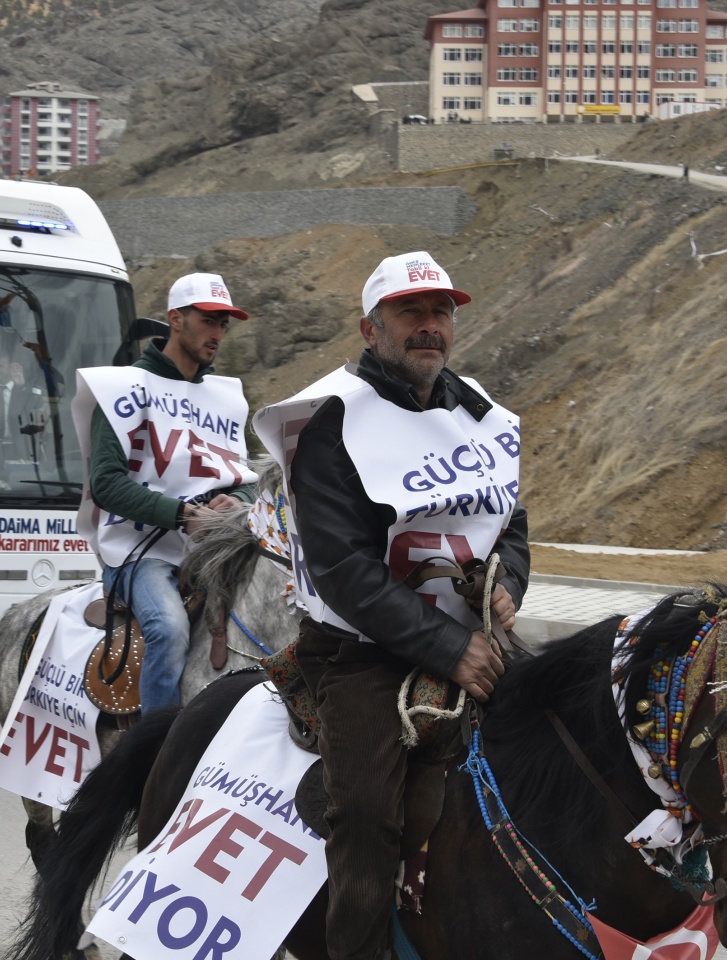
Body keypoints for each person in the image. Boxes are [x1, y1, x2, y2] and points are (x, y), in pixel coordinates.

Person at [255, 252, 530, 960]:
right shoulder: (330, 424)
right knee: (370, 818)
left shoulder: (478, 412)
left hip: (475, 637)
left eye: (441, 313)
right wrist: (450, 648)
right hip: (360, 653)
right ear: (370, 329)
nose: (430, 327)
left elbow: (511, 523)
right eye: (411, 314)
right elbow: (342, 567)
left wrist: (510, 584)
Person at [73, 273, 259, 714]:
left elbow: (244, 478)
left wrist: (239, 503)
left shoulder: (226, 397)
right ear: (176, 319)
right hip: (139, 553)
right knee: (171, 629)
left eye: (224, 324)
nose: (217, 333)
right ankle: (155, 751)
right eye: (208, 320)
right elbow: (106, 483)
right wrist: (182, 514)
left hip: (211, 549)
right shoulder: (120, 388)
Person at [0, 355, 45, 461]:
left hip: (18, 448)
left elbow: (37, 404)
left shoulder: (24, 387)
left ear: (12, 368)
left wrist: (22, 386)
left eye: (0, 366)